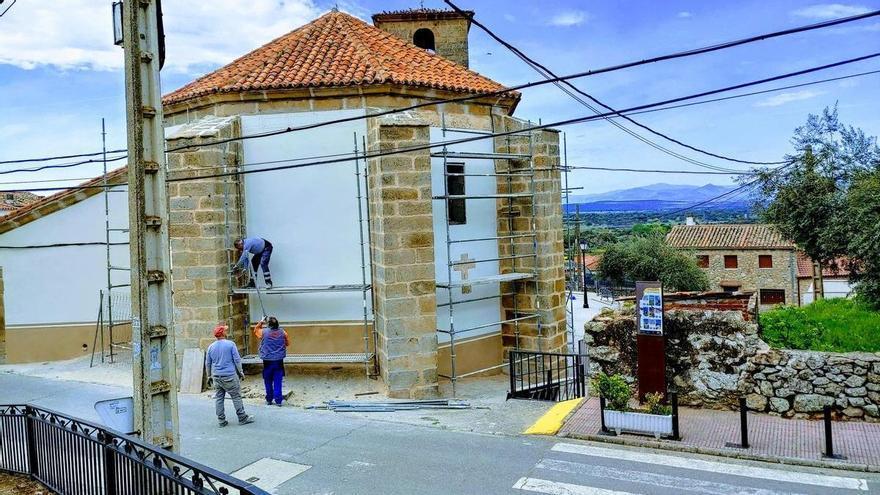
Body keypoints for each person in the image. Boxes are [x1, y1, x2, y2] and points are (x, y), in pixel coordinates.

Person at [205, 323, 254, 427]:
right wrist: (241, 372)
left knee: (219, 398)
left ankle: (221, 420)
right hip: (229, 376)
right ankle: (242, 417)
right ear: (223, 333)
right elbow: (237, 360)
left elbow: (208, 363)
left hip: (217, 376)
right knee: (236, 396)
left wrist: (209, 376)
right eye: (225, 331)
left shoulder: (211, 347)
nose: (227, 332)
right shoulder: (230, 344)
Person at [254, 316, 289, 406]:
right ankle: (278, 400)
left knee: (268, 380)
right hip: (279, 361)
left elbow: (256, 330)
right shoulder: (283, 332)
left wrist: (261, 321)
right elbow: (287, 343)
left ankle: (269, 399)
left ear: (268, 325)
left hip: (267, 361)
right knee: (278, 380)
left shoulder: (263, 332)